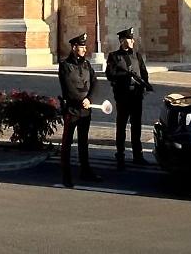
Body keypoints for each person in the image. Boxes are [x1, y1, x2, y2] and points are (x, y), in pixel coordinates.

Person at [104, 26, 153, 169]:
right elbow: (110, 75)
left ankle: (138, 155)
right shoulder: (114, 56)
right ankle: (120, 155)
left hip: (136, 96)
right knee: (121, 126)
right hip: (123, 96)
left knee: (136, 126)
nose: (132, 41)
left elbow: (144, 73)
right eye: (129, 39)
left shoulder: (136, 55)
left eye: (132, 39)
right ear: (122, 41)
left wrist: (145, 85)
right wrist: (125, 76)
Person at [58, 32, 102, 187]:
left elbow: (95, 82)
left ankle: (85, 171)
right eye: (81, 47)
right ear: (74, 47)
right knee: (67, 143)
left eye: (84, 46)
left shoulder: (86, 64)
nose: (84, 49)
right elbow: (68, 87)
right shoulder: (65, 65)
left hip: (85, 110)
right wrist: (80, 100)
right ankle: (66, 175)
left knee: (84, 142)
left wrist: (89, 99)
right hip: (72, 110)